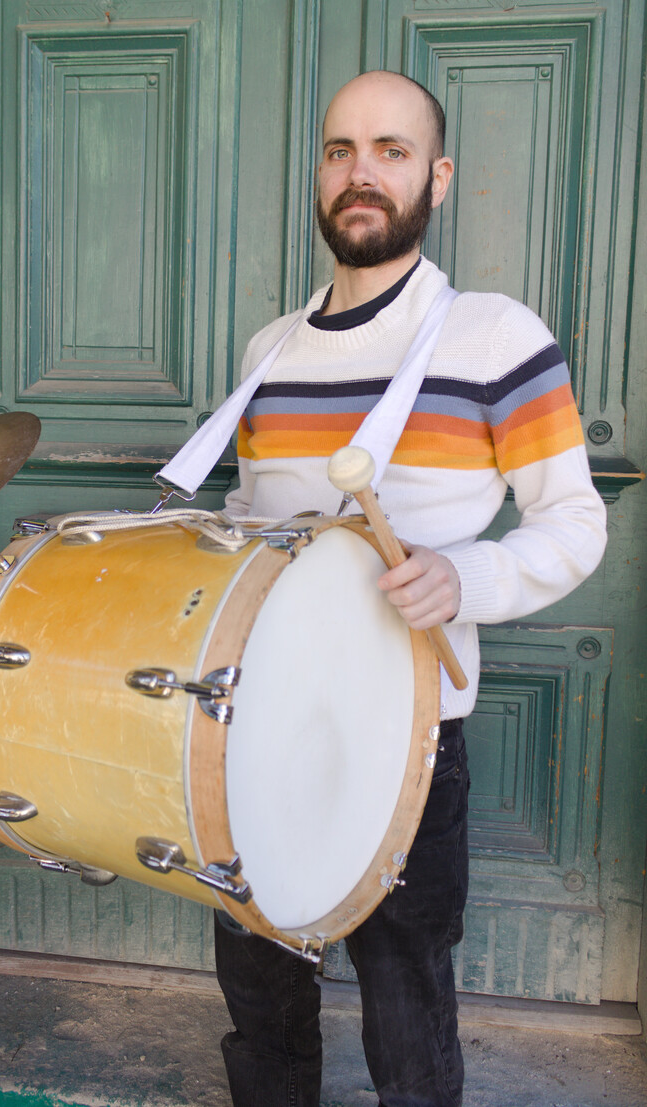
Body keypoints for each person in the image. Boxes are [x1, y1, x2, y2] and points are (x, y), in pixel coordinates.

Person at [213, 71, 608, 1107]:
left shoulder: (492, 338)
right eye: (340, 150)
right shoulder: (270, 353)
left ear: (434, 178)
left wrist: (463, 573)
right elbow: (261, 539)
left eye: (389, 151)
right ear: (320, 176)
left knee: (402, 988)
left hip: (408, 734)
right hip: (262, 723)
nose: (360, 173)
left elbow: (573, 520)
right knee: (257, 974)